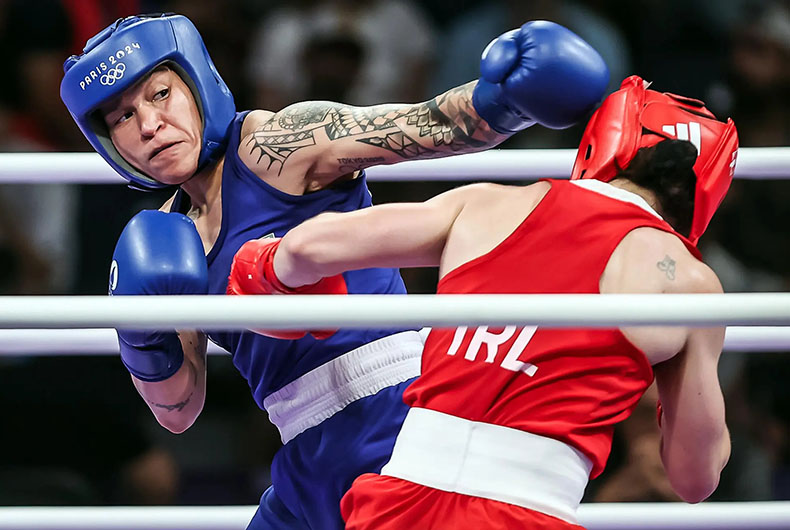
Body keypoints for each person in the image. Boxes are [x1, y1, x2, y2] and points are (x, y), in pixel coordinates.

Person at [59, 13, 609, 530]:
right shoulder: (162, 240)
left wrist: (503, 100)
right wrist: (142, 338)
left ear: (196, 84)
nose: (151, 126)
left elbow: (428, 124)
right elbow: (178, 410)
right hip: (302, 452)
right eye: (123, 117)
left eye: (160, 95)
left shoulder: (274, 145)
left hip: (396, 413)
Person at [229, 75, 737, 528]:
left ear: (602, 141)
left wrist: (269, 271)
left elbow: (305, 247)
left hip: (398, 503)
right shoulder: (689, 284)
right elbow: (695, 479)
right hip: (530, 513)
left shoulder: (491, 203)